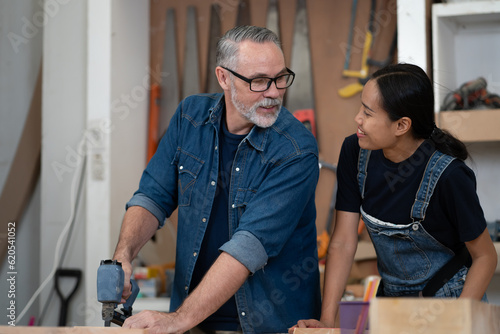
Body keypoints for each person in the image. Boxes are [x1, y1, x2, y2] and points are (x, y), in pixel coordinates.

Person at [113, 25, 321, 334]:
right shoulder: (189, 118)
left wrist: (177, 320)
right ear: (224, 78)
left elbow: (249, 246)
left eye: (280, 78)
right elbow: (152, 197)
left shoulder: (295, 148)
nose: (275, 92)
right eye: (260, 81)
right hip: (194, 323)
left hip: (268, 326)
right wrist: (123, 256)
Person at [291, 63, 497, 331]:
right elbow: (342, 242)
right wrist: (328, 321)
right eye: (360, 108)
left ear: (402, 125)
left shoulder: (449, 176)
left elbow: (485, 257)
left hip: (450, 302)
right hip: (393, 307)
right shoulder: (354, 152)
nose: (358, 119)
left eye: (367, 113)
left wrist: (458, 320)